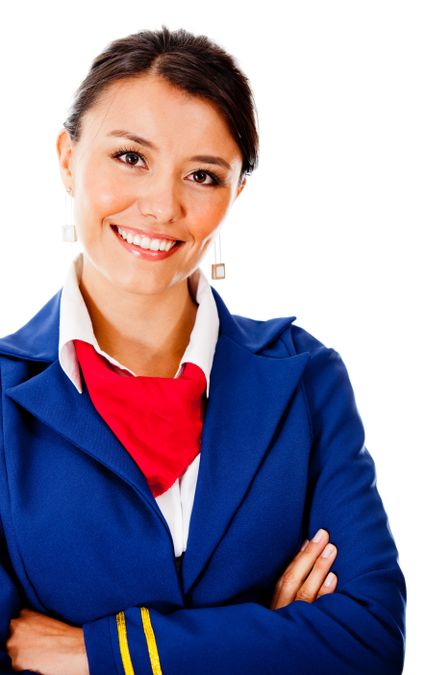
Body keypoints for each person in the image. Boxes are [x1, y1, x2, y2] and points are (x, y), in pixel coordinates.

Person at [0, 25, 406, 675]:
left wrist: (91, 651)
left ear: (235, 192)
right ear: (68, 158)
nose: (162, 206)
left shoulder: (305, 379)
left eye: (202, 175)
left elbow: (369, 640)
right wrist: (270, 638)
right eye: (130, 157)